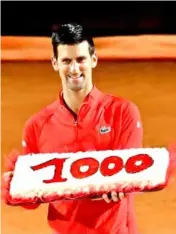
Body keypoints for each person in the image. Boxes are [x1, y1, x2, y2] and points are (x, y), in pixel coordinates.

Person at [3, 22, 143, 234]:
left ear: (93, 60)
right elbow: (31, 199)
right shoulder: (36, 126)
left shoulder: (123, 112)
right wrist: (13, 186)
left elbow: (131, 174)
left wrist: (122, 185)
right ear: (55, 63)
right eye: (66, 61)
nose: (74, 68)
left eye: (81, 59)